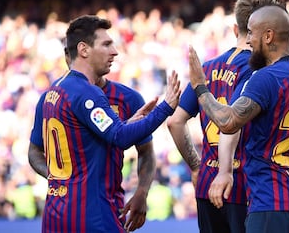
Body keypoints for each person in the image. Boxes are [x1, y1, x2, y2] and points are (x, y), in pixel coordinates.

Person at [188, 3, 289, 233]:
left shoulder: (266, 77)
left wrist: (200, 87)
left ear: (269, 36)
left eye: (251, 33)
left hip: (270, 201)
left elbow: (228, 122)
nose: (249, 40)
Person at [35, 15, 180, 233]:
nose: (115, 51)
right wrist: (166, 106)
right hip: (93, 215)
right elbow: (119, 137)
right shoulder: (86, 93)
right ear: (83, 50)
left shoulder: (52, 93)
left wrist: (65, 181)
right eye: (106, 44)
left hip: (55, 216)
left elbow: (101, 138)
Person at [167, 0, 275, 233]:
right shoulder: (259, 71)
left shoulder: (207, 67)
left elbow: (175, 122)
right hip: (242, 186)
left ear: (236, 29)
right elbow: (232, 122)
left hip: (207, 184)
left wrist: (196, 167)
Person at [29, 47, 157, 232]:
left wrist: (142, 192)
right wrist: (58, 175)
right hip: (66, 208)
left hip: (108, 206)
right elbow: (34, 150)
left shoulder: (128, 98)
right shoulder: (51, 98)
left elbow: (146, 151)